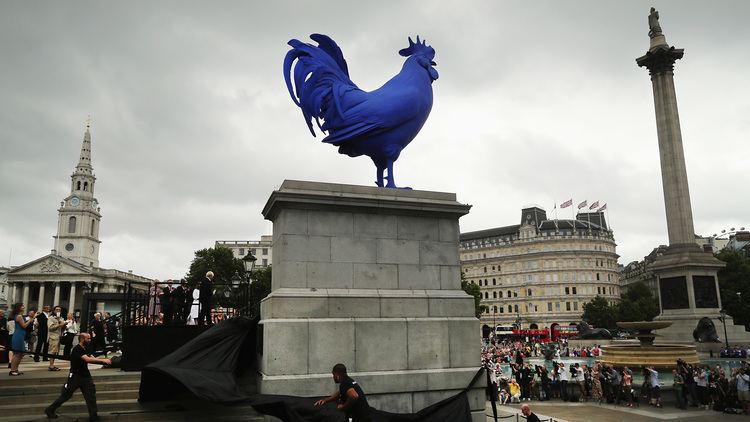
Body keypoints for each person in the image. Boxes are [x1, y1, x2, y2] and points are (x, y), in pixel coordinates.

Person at [45, 332, 111, 421]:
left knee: (90, 396)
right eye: (88, 338)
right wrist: (104, 361)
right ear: (82, 339)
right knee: (66, 395)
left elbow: (91, 356)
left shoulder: (86, 347)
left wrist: (104, 360)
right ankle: (50, 409)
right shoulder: (77, 349)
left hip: (85, 376)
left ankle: (93, 416)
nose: (90, 340)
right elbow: (87, 359)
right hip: (75, 376)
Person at [9, 303, 35, 376]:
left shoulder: (19, 316)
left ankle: (16, 369)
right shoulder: (19, 316)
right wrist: (30, 320)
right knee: (17, 354)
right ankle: (12, 370)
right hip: (18, 335)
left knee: (20, 353)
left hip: (20, 335)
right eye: (22, 306)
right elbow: (24, 326)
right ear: (19, 308)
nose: (24, 307)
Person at [47, 305, 67, 371]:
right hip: (53, 336)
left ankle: (52, 364)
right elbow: (50, 328)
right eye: (57, 309)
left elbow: (62, 328)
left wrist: (64, 325)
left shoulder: (61, 318)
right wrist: (59, 325)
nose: (58, 311)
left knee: (55, 352)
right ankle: (51, 365)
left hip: (59, 336)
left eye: (59, 310)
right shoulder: (51, 318)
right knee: (52, 351)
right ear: (54, 310)